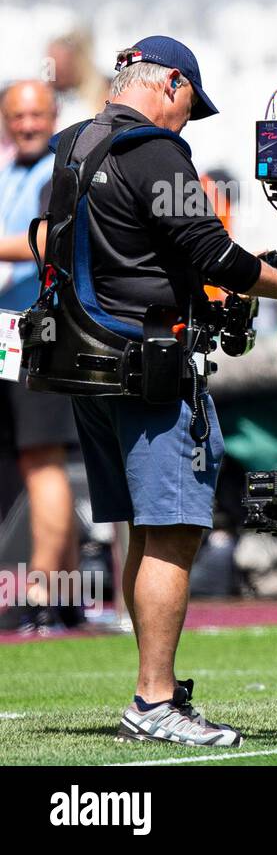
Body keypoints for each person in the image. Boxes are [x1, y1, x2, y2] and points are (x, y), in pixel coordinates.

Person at [49, 36, 277, 746]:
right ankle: (154, 701)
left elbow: (56, 237)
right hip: (148, 368)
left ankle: (155, 688)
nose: (187, 123)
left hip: (85, 363)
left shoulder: (69, 144)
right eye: (190, 106)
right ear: (171, 83)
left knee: (144, 531)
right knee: (173, 530)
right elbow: (214, 254)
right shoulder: (155, 152)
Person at [0, 80, 80, 635]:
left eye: (36, 113)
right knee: (35, 460)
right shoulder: (10, 172)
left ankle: (42, 596)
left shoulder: (60, 171)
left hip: (39, 329)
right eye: (16, 115)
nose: (27, 123)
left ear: (54, 114)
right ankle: (68, 594)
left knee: (42, 460)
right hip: (10, 329)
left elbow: (55, 240)